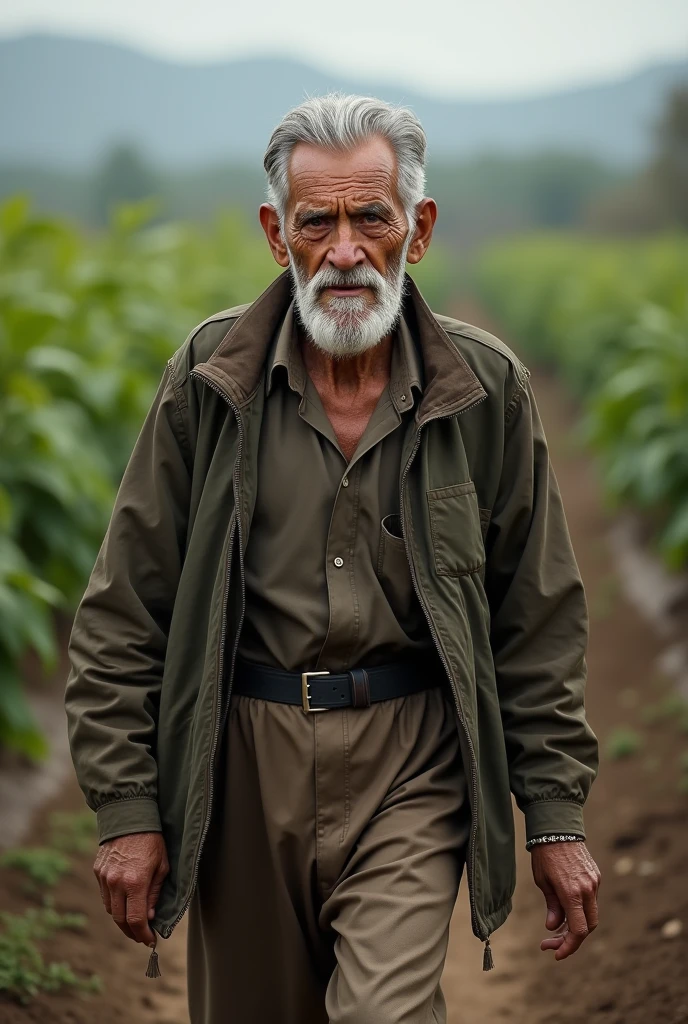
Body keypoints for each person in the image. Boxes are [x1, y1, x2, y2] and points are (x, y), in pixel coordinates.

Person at [65, 93, 601, 1024]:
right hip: (242, 757)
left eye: (372, 219)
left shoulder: (484, 391)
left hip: (415, 756)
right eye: (318, 222)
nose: (346, 251)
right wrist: (127, 809)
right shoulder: (208, 382)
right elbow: (125, 608)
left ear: (418, 230)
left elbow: (537, 616)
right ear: (278, 233)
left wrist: (553, 812)